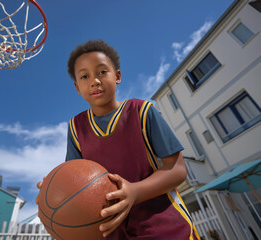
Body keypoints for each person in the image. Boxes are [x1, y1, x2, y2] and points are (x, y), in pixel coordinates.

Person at [37, 40, 200, 240]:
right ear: (77, 87)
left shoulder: (142, 111)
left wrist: (135, 192)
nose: (94, 81)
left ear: (118, 76)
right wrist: (54, 191)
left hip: (164, 227)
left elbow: (177, 169)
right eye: (85, 76)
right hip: (112, 231)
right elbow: (75, 181)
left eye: (102, 72)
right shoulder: (76, 128)